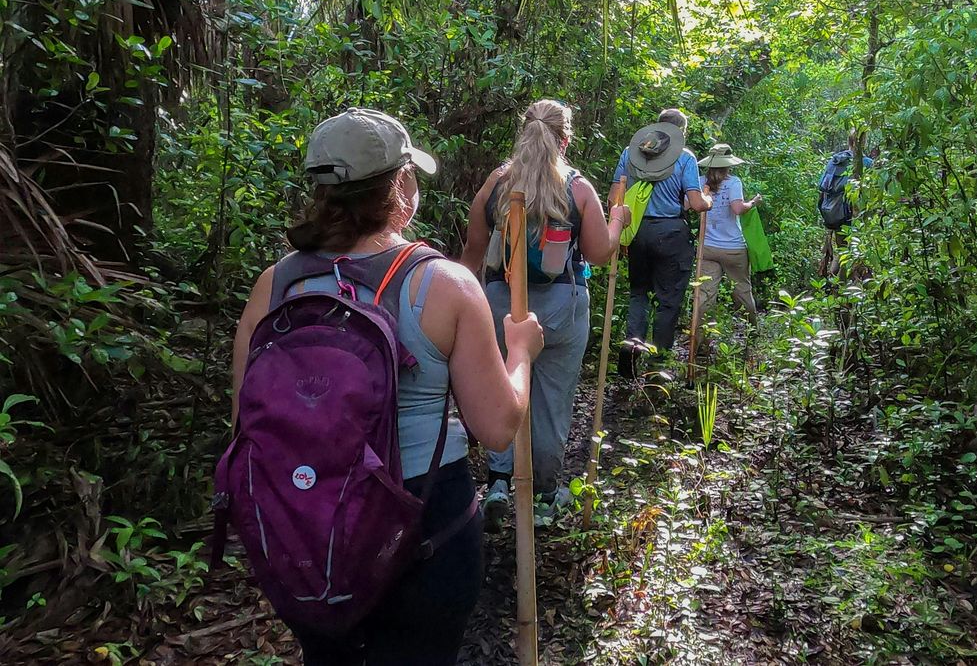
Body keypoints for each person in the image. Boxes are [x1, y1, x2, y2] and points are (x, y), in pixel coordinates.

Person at [230, 108, 544, 666]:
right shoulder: (442, 283)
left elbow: (247, 417)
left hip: (307, 526)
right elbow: (497, 427)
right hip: (424, 526)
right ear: (401, 185)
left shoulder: (274, 285)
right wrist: (519, 353)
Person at [461, 100, 630, 527]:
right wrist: (618, 220)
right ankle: (545, 495)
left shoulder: (497, 183)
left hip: (502, 307)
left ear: (524, 134)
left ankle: (499, 483)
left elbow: (472, 254)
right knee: (553, 402)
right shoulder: (577, 188)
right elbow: (599, 253)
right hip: (561, 308)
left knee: (502, 388)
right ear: (565, 140)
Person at [609, 108, 712, 372]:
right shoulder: (685, 157)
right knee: (668, 299)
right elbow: (698, 204)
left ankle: (630, 354)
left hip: (637, 233)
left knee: (638, 294)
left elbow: (613, 199)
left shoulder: (630, 153)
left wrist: (620, 232)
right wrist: (708, 199)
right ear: (681, 133)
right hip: (671, 233)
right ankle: (658, 365)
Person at [696, 143, 760, 326]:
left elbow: (689, 205)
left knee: (706, 294)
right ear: (728, 164)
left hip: (707, 246)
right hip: (733, 248)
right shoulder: (733, 182)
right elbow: (738, 208)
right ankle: (752, 332)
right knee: (742, 291)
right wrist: (753, 202)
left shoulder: (700, 182)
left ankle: (702, 339)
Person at [817, 131, 875, 279]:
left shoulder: (834, 161)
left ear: (849, 141)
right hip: (856, 219)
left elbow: (821, 187)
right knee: (856, 255)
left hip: (836, 215)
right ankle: (845, 288)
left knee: (843, 251)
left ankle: (835, 283)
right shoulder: (867, 163)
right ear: (863, 143)